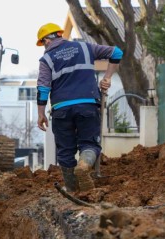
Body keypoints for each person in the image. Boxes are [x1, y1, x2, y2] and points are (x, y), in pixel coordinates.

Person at [35, 23, 123, 192]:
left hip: (61, 109)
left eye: (42, 43)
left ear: (47, 40)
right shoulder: (85, 47)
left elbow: (43, 88)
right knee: (89, 144)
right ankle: (84, 166)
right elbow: (116, 52)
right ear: (59, 34)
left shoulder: (46, 59)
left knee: (65, 151)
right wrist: (108, 78)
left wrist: (41, 113)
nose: (44, 47)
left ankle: (72, 189)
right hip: (87, 105)